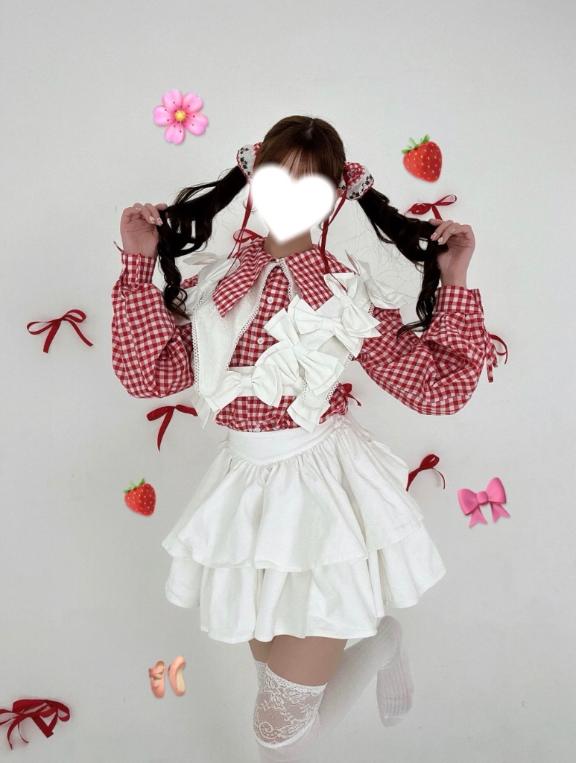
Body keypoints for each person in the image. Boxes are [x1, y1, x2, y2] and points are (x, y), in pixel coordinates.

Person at [111, 115, 499, 761]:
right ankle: (379, 642)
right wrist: (137, 262)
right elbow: (147, 373)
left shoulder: (342, 288)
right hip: (244, 496)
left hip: (318, 493)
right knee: (276, 685)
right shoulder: (220, 275)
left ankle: (379, 643)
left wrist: (454, 278)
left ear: (335, 195)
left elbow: (440, 390)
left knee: (279, 735)